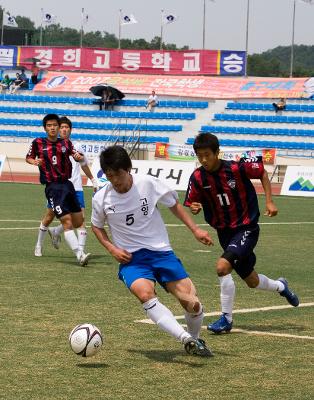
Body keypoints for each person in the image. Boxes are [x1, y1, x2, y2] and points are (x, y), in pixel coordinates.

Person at [91, 146, 214, 357]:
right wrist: (112, 248)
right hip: (132, 260)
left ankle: (195, 339)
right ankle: (186, 339)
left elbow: (174, 204)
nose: (115, 181)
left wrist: (195, 229)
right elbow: (96, 226)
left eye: (118, 175)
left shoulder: (147, 184)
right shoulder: (101, 198)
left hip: (161, 253)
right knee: (145, 294)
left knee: (192, 304)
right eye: (110, 176)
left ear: (128, 169)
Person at [184, 133, 299, 334]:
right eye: (199, 155)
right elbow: (194, 201)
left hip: (246, 228)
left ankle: (226, 319)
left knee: (222, 267)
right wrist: (195, 206)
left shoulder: (236, 168)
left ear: (217, 153)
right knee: (251, 280)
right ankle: (281, 286)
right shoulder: (197, 177)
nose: (203, 160)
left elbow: (262, 173)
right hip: (224, 232)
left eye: (207, 155)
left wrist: (269, 201)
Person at [26, 114, 91, 266]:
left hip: (68, 185)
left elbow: (76, 156)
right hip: (53, 187)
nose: (53, 128)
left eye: (55, 125)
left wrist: (77, 156)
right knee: (66, 221)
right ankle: (79, 255)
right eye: (49, 125)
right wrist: (34, 161)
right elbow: (28, 157)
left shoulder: (66, 143)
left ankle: (55, 232)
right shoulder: (38, 143)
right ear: (45, 128)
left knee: (79, 220)